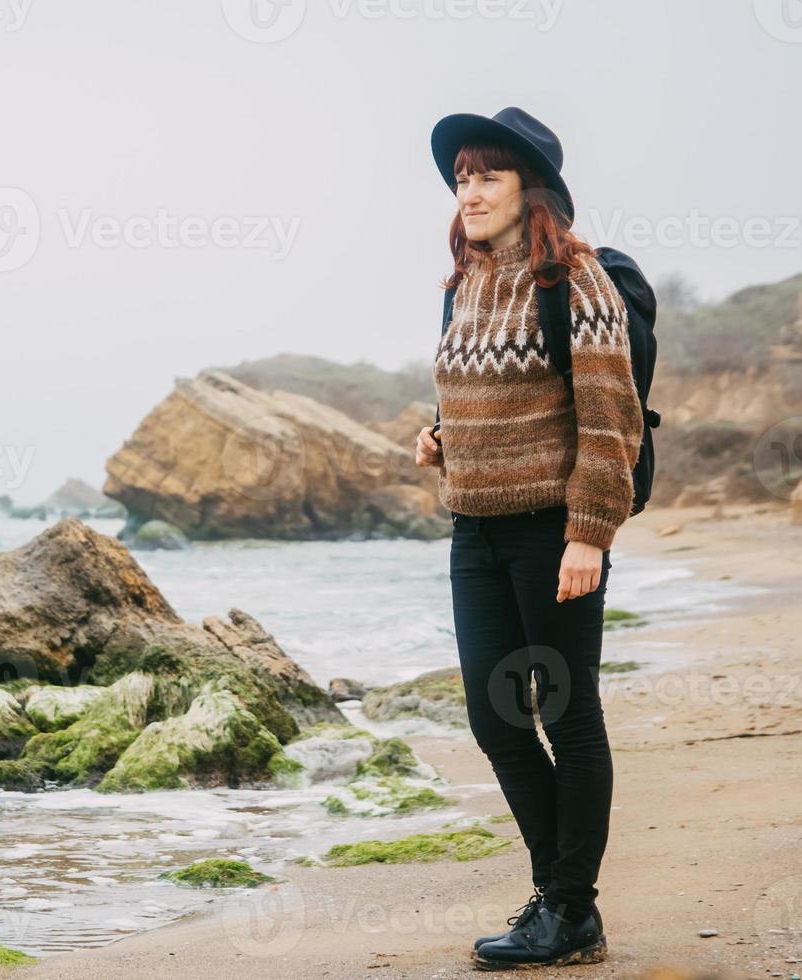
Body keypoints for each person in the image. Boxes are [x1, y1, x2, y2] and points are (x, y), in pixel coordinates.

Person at [414, 107, 645, 970]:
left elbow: (611, 418)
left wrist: (590, 532)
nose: (468, 191)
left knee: (567, 713)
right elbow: (481, 389)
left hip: (554, 531)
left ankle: (569, 907)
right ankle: (561, 899)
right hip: (473, 531)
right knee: (495, 716)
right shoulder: (460, 281)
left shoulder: (575, 281)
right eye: (462, 177)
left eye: (487, 176)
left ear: (529, 189)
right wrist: (442, 439)